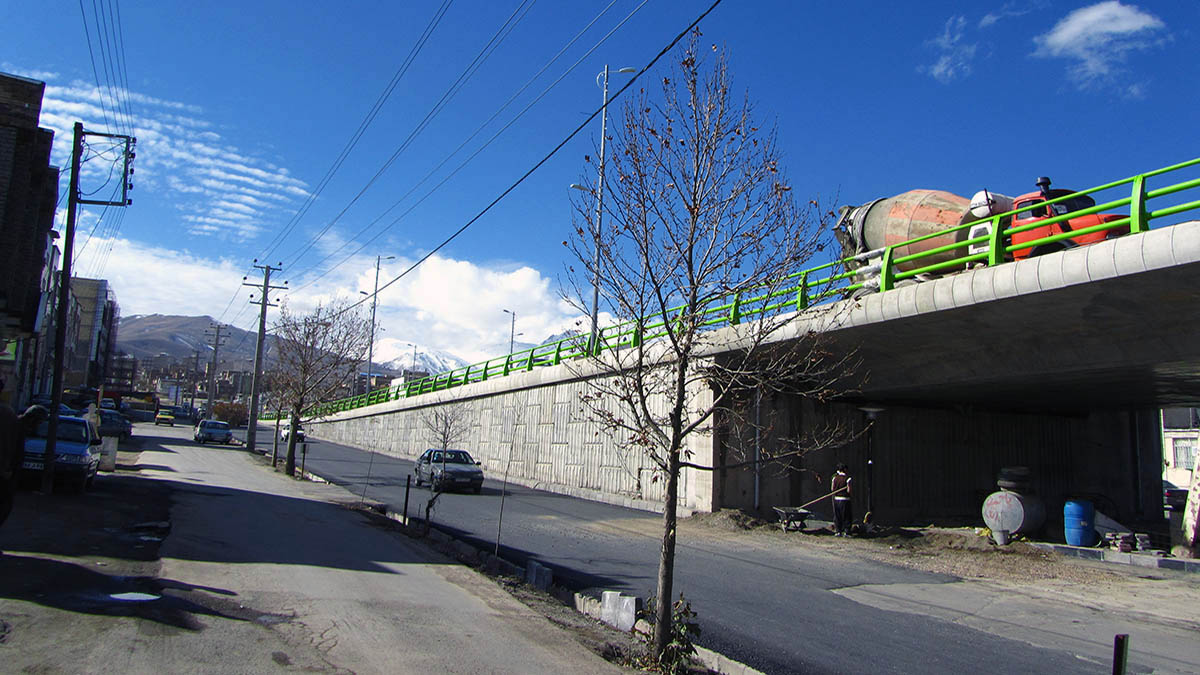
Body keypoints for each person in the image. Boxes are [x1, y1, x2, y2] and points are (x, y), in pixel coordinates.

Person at [831, 463, 853, 537]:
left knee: (837, 516)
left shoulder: (835, 478)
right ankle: (847, 532)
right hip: (845, 500)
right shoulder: (848, 479)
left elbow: (832, 489)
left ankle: (838, 531)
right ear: (845, 470)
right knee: (846, 516)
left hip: (836, 500)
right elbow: (849, 490)